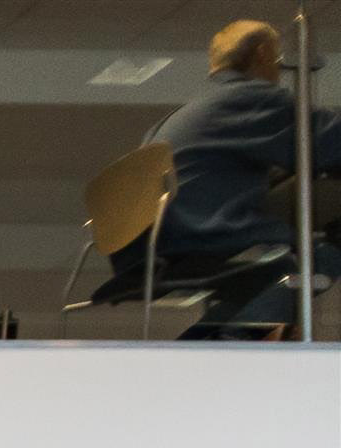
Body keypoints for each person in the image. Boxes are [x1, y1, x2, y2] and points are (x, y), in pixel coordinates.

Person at [139, 20, 341, 338]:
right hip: (207, 234)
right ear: (262, 53)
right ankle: (235, 338)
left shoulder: (184, 113)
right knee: (320, 253)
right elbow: (329, 142)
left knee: (266, 272)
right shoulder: (250, 98)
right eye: (276, 60)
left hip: (160, 242)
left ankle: (204, 342)